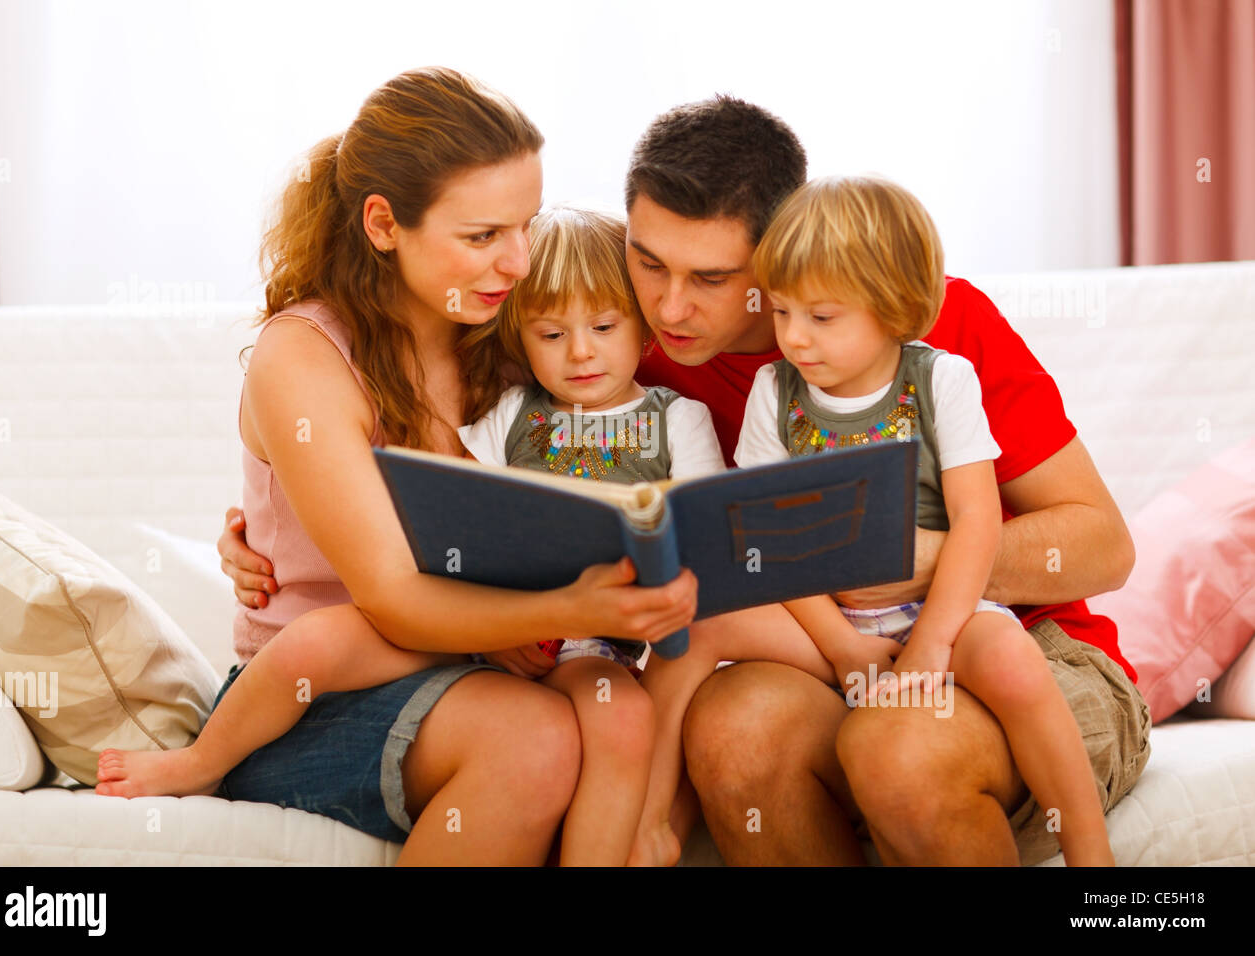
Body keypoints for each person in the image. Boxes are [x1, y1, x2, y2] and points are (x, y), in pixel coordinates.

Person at [220, 93, 1150, 866]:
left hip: (1016, 651)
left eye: (711, 279)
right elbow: (455, 464)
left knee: (901, 748)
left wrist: (917, 559)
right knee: (735, 732)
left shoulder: (924, 324)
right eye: (649, 262)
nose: (670, 306)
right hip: (827, 652)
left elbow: (1102, 545)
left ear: (783, 254)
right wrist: (263, 540)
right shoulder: (622, 358)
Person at [106, 67, 697, 867]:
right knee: (537, 741)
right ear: (384, 225)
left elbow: (631, 437)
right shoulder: (306, 356)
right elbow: (389, 598)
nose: (519, 261)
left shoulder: (510, 327)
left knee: (608, 723)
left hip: (486, 656)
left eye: (524, 224)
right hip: (323, 693)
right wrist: (560, 608)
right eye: (483, 236)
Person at [732, 174, 1114, 865]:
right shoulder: (774, 393)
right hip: (837, 624)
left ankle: (1095, 861)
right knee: (708, 631)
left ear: (895, 308)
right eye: (782, 312)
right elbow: (769, 537)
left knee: (1014, 663)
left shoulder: (942, 380)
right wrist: (845, 650)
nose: (793, 338)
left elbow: (976, 521)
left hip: (947, 608)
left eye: (821, 318)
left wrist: (935, 641)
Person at [452, 203, 723, 864]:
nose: (580, 352)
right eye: (550, 334)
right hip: (507, 636)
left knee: (622, 715)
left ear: (644, 328)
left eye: (603, 326)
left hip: (611, 648)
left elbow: (706, 539)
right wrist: (497, 623)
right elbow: (455, 523)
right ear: (519, 336)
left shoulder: (679, 420)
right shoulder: (510, 414)